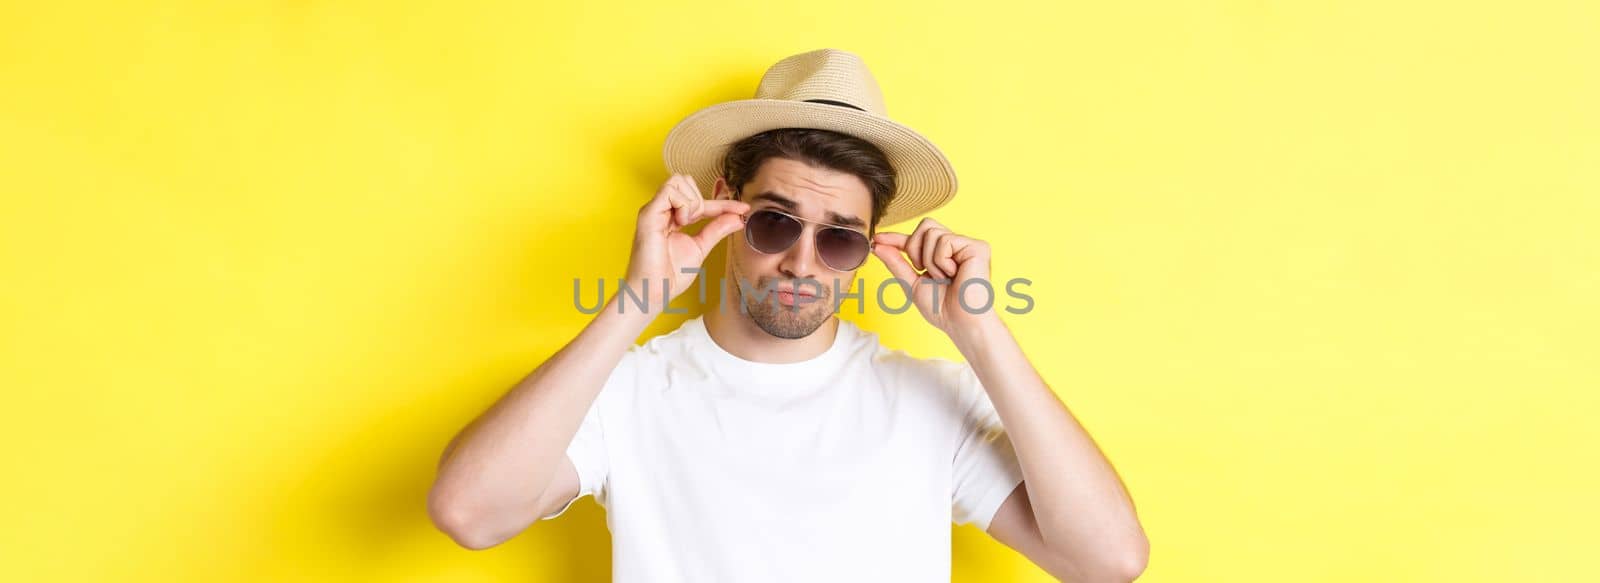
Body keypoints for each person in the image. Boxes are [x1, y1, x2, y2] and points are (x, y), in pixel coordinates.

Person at [427, 48, 1148, 582]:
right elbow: (469, 512)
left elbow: (1109, 560)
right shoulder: (628, 390)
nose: (803, 263)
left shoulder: (933, 398)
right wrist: (635, 300)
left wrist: (981, 333)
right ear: (722, 203)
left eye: (838, 237)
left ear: (868, 245)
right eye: (776, 223)